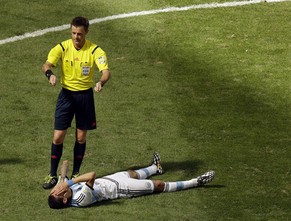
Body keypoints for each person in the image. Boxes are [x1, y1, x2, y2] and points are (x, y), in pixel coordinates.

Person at [41, 16, 111, 189]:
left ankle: (76, 174)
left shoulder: (95, 51)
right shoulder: (63, 47)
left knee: (81, 137)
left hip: (85, 97)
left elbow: (105, 71)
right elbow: (46, 64)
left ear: (86, 32)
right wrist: (50, 74)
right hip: (66, 96)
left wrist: (101, 82)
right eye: (73, 33)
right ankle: (51, 175)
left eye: (79, 34)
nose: (76, 37)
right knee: (58, 137)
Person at [48, 152, 215, 209]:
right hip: (122, 189)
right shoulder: (80, 199)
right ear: (64, 199)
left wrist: (62, 180)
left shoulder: (63, 192)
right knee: (157, 185)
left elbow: (65, 164)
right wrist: (67, 183)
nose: (57, 189)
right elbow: (91, 175)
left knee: (132, 173)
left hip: (110, 179)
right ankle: (195, 182)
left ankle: (156, 168)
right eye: (58, 192)